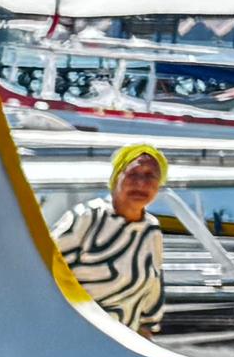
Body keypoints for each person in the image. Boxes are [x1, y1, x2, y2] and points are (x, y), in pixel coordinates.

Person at [58, 139, 168, 332]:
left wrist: (146, 334)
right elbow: (44, 266)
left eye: (150, 176)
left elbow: (153, 289)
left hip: (123, 342)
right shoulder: (88, 217)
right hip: (72, 334)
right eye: (133, 173)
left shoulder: (151, 230)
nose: (141, 183)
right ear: (117, 177)